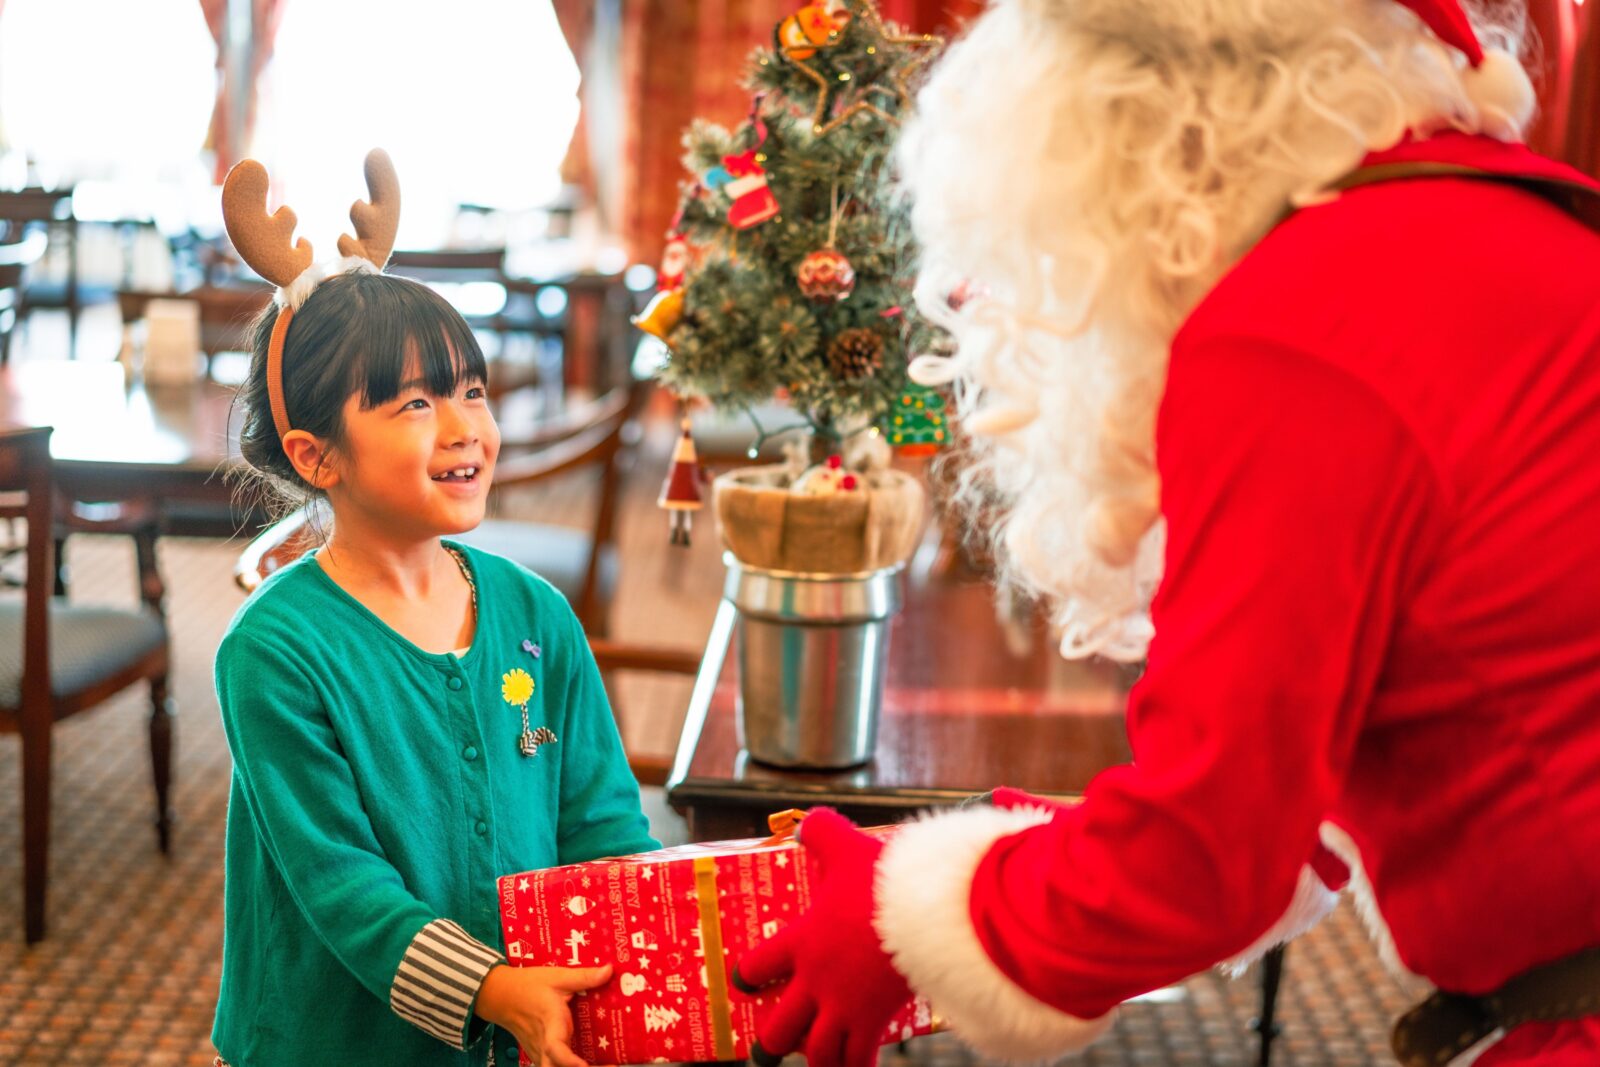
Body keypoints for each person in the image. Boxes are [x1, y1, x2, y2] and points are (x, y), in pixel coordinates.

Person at [735, 1, 1600, 1065]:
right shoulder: (1522, 226)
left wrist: (897, 916)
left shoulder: (1297, 321)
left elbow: (1204, 853)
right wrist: (1044, 850)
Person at [210, 151, 656, 1067]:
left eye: (472, 391)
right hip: (327, 1045)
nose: (465, 428)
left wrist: (647, 950)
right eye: (415, 403)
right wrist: (492, 989)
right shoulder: (275, 651)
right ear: (316, 454)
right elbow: (340, 881)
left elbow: (602, 820)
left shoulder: (535, 613)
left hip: (521, 1033)